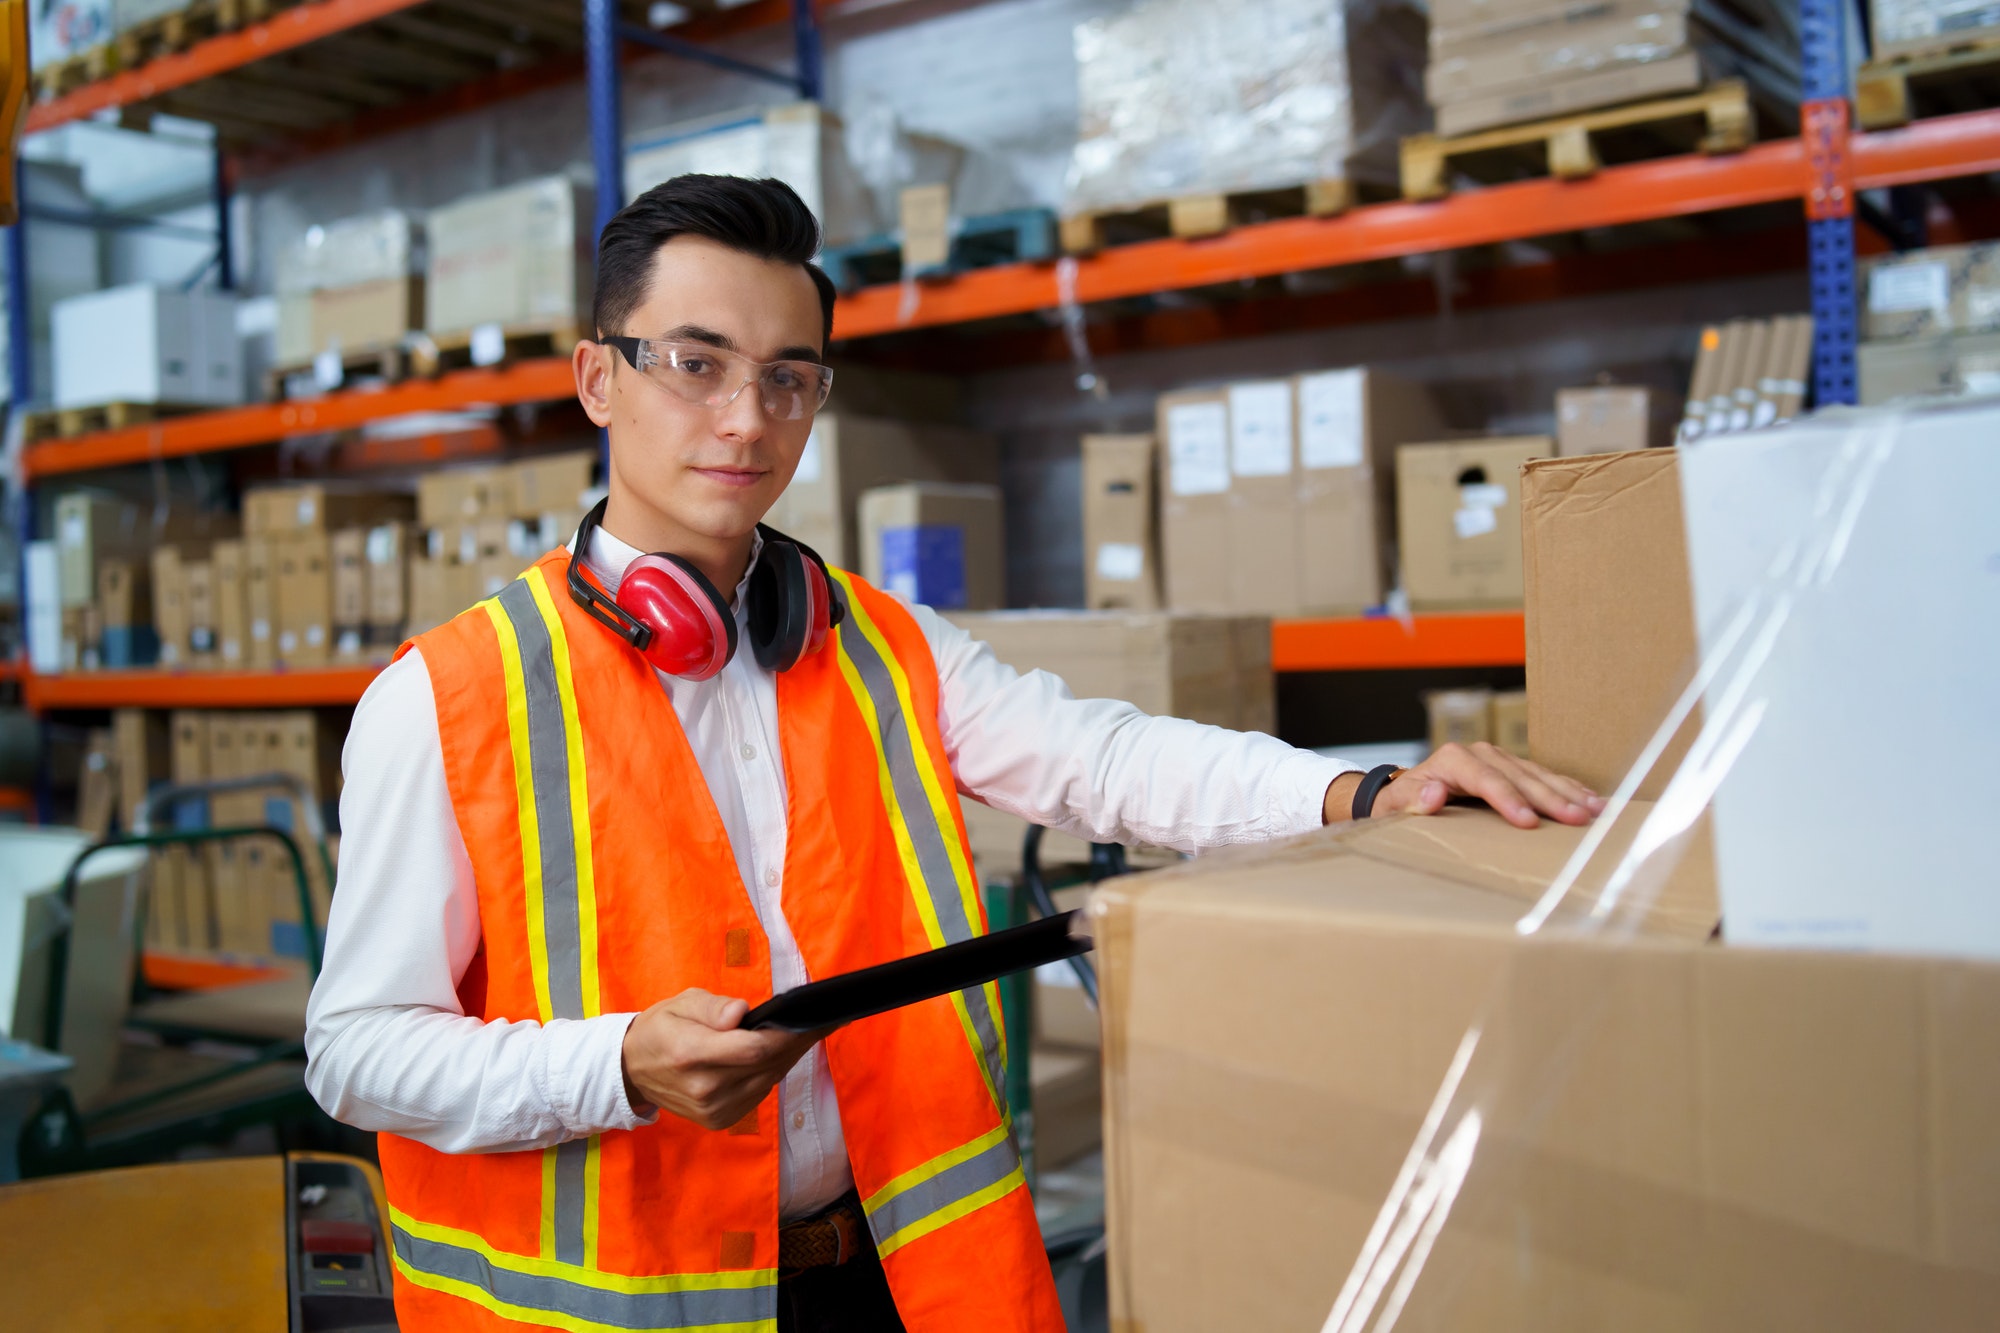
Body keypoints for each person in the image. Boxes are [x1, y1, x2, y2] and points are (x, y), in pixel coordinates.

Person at [305, 174, 1603, 1333]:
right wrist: (614, 1064)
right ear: (598, 379)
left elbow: (1105, 757)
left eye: (789, 377)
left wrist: (1366, 790)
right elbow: (356, 1049)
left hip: (894, 1277)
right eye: (694, 363)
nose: (746, 418)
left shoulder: (875, 644)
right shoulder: (448, 698)